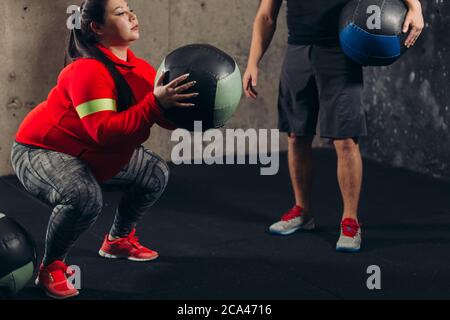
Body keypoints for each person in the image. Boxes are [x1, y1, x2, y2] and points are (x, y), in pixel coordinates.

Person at [10, 0, 197, 299]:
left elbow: (161, 117)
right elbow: (104, 133)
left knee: (154, 172)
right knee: (83, 198)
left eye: (130, 8)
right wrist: (155, 103)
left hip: (91, 154)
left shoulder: (141, 70)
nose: (132, 15)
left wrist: (195, 113)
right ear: (96, 27)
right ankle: (51, 267)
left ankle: (117, 240)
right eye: (120, 12)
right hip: (40, 151)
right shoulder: (86, 71)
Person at [243, 0, 424, 252]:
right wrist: (253, 62)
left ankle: (350, 221)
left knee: (346, 140)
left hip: (340, 52)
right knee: (296, 135)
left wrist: (415, 8)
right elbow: (266, 16)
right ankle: (302, 211)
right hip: (297, 49)